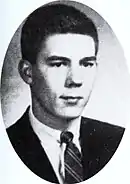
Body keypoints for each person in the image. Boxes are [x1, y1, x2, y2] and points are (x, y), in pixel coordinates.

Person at [6, 3, 125, 184]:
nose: (75, 80)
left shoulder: (118, 140)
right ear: (27, 72)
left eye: (86, 64)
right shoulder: (6, 147)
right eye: (58, 64)